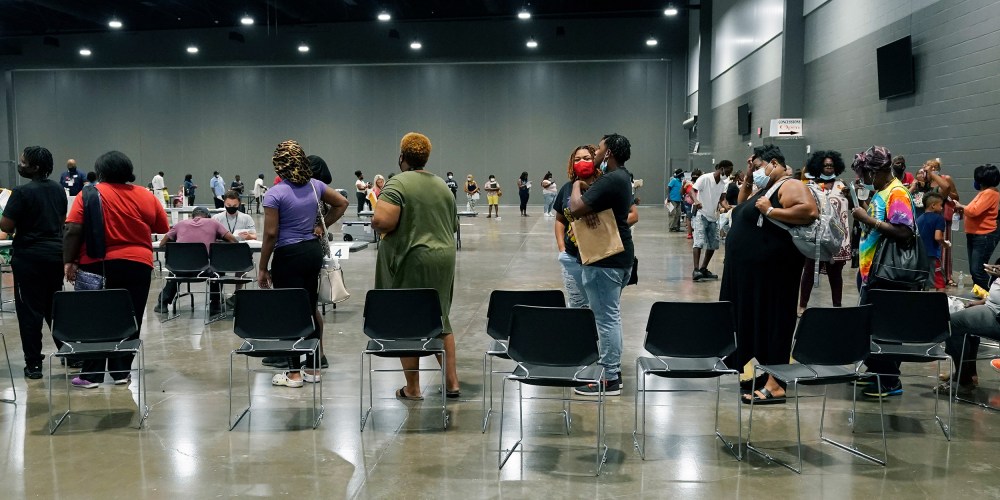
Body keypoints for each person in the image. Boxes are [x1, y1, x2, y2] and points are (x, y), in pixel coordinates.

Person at [721, 144, 818, 405]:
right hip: (752, 277)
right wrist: (750, 177)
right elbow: (741, 207)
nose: (755, 169)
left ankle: (776, 385)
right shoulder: (766, 188)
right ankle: (762, 371)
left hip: (774, 276)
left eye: (758, 165)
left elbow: (809, 211)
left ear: (773, 163)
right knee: (755, 323)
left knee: (774, 322)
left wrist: (772, 211)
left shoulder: (790, 184)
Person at [64, 151, 170, 388]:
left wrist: (69, 261)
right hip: (138, 265)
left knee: (95, 319)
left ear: (100, 172)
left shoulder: (89, 193)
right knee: (130, 317)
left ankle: (91, 375)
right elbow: (162, 226)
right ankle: (121, 372)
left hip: (97, 263)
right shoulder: (145, 195)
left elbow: (72, 230)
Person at [371, 132, 460, 400]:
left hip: (412, 258)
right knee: (440, 316)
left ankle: (413, 387)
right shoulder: (442, 185)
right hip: (443, 258)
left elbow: (383, 221)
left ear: (402, 157)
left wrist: (376, 219)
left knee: (406, 319)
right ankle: (452, 383)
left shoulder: (397, 184)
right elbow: (453, 224)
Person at [258, 140, 349, 387]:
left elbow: (270, 234)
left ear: (280, 165)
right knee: (309, 308)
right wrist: (322, 225)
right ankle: (313, 369)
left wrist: (263, 266)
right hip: (311, 252)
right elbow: (342, 203)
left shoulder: (275, 193)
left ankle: (293, 373)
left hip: (288, 255)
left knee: (288, 311)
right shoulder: (315, 186)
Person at [568, 134, 637, 396]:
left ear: (608, 154)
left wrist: (577, 184)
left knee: (606, 318)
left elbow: (575, 208)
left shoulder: (611, 179)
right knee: (610, 316)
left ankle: (609, 377)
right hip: (620, 257)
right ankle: (610, 369)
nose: (595, 152)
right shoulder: (623, 178)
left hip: (604, 261)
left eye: (599, 149)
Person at [851, 145, 917, 398]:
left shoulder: (897, 192)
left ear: (876, 171)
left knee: (883, 329)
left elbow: (904, 232)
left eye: (864, 174)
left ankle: (890, 380)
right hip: (873, 272)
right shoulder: (882, 191)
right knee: (874, 327)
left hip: (887, 273)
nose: (862, 179)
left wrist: (868, 220)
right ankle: (878, 371)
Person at [0, 146, 67, 380]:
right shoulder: (59, 190)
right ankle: (69, 352)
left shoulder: (20, 192)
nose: (20, 165)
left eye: (23, 162)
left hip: (29, 257)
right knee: (54, 307)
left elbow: (6, 226)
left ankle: (34, 364)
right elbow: (61, 221)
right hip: (55, 256)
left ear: (34, 167)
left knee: (30, 312)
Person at [154, 206, 238, 315]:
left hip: (180, 269)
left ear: (192, 216)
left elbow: (162, 243)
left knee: (174, 272)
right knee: (217, 269)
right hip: (203, 270)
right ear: (208, 216)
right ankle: (215, 303)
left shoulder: (180, 224)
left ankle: (162, 303)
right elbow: (233, 240)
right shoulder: (213, 223)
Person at [798, 151, 852, 315]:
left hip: (838, 238)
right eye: (825, 165)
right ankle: (802, 305)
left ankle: (837, 306)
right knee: (808, 271)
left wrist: (850, 197)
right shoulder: (811, 186)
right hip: (817, 236)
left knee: (836, 274)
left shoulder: (842, 186)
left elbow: (850, 207)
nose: (829, 167)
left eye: (831, 165)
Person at [943, 263, 1000, 394]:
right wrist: (980, 302)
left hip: (996, 317)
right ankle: (969, 374)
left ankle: (963, 380)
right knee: (959, 319)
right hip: (991, 308)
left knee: (951, 324)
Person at [955, 164, 1000, 290]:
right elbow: (972, 210)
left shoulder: (990, 193)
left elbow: (973, 211)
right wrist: (963, 207)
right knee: (975, 270)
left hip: (984, 235)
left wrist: (961, 206)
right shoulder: (983, 193)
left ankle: (992, 296)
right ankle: (982, 295)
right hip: (975, 234)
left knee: (978, 270)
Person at [691, 160, 733, 281]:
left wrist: (726, 207)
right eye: (728, 171)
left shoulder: (723, 183)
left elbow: (722, 199)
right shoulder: (705, 178)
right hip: (702, 214)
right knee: (698, 242)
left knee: (713, 244)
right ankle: (696, 270)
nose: (729, 175)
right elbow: (692, 190)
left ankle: (704, 268)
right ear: (721, 169)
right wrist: (696, 201)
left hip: (713, 217)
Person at [919, 158, 959, 285]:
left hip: (940, 217)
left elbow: (950, 192)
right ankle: (930, 272)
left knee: (942, 245)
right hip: (926, 218)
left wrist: (933, 175)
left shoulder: (944, 179)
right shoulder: (924, 182)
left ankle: (946, 275)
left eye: (931, 168)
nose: (927, 169)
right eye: (926, 167)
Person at [916, 193, 947, 291]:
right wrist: (945, 244)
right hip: (932, 255)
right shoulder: (939, 219)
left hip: (920, 255)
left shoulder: (918, 219)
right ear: (933, 205)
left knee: (924, 282)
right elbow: (938, 237)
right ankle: (939, 305)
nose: (942, 208)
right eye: (940, 205)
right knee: (940, 283)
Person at [683, 169, 702, 239]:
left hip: (698, 203)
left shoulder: (701, 183)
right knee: (689, 217)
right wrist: (683, 185)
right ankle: (689, 233)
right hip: (689, 203)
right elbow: (682, 192)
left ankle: (697, 232)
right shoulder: (689, 184)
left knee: (698, 217)